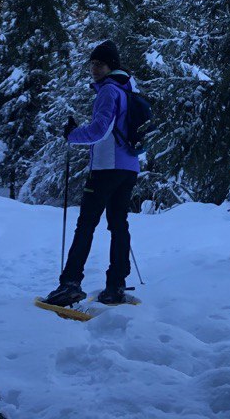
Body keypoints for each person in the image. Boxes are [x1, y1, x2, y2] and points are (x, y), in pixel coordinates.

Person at [42, 40, 140, 307]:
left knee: (86, 224)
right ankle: (116, 285)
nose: (94, 69)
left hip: (107, 167)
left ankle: (70, 284)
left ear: (111, 66)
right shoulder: (129, 88)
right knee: (118, 224)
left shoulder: (109, 90)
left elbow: (100, 130)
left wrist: (72, 135)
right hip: (129, 167)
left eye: (100, 64)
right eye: (92, 64)